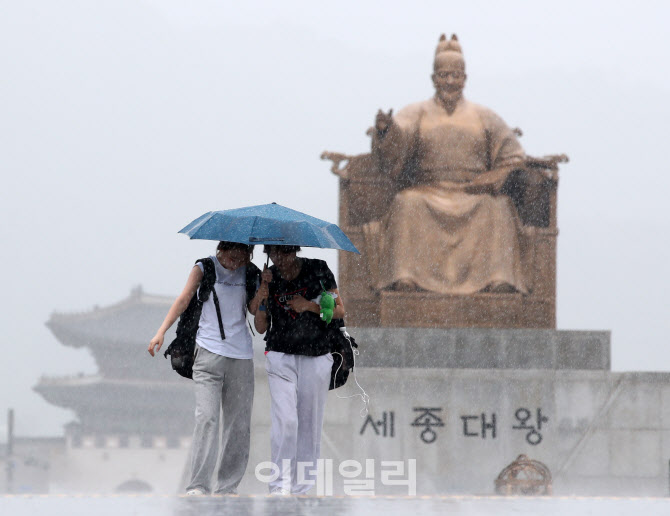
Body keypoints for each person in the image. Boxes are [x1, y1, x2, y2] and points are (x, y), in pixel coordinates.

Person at [364, 33, 532, 295]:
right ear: (434, 79)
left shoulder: (484, 116)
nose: (450, 82)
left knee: (499, 208)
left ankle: (499, 279)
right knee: (407, 203)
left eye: (456, 76)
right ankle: (406, 278)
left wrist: (497, 176)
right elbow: (398, 139)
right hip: (428, 191)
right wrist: (387, 130)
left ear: (465, 79)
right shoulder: (416, 111)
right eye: (444, 75)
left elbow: (512, 155)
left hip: (473, 194)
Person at [148, 241, 263, 495]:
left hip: (241, 356)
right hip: (207, 354)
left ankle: (228, 486)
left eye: (242, 258)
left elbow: (255, 312)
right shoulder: (204, 267)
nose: (235, 263)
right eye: (232, 257)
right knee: (207, 418)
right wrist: (161, 332)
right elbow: (183, 299)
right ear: (221, 250)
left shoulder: (252, 273)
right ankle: (198, 484)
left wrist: (263, 287)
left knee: (238, 424)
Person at [253, 245, 344, 495]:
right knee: (286, 420)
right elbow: (260, 327)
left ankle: (301, 488)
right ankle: (279, 486)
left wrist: (308, 306)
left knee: (309, 424)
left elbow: (339, 311)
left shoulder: (318, 270)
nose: (279, 259)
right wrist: (262, 295)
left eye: (284, 253)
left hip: (316, 355)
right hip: (280, 355)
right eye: (273, 254)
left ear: (295, 250)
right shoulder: (268, 277)